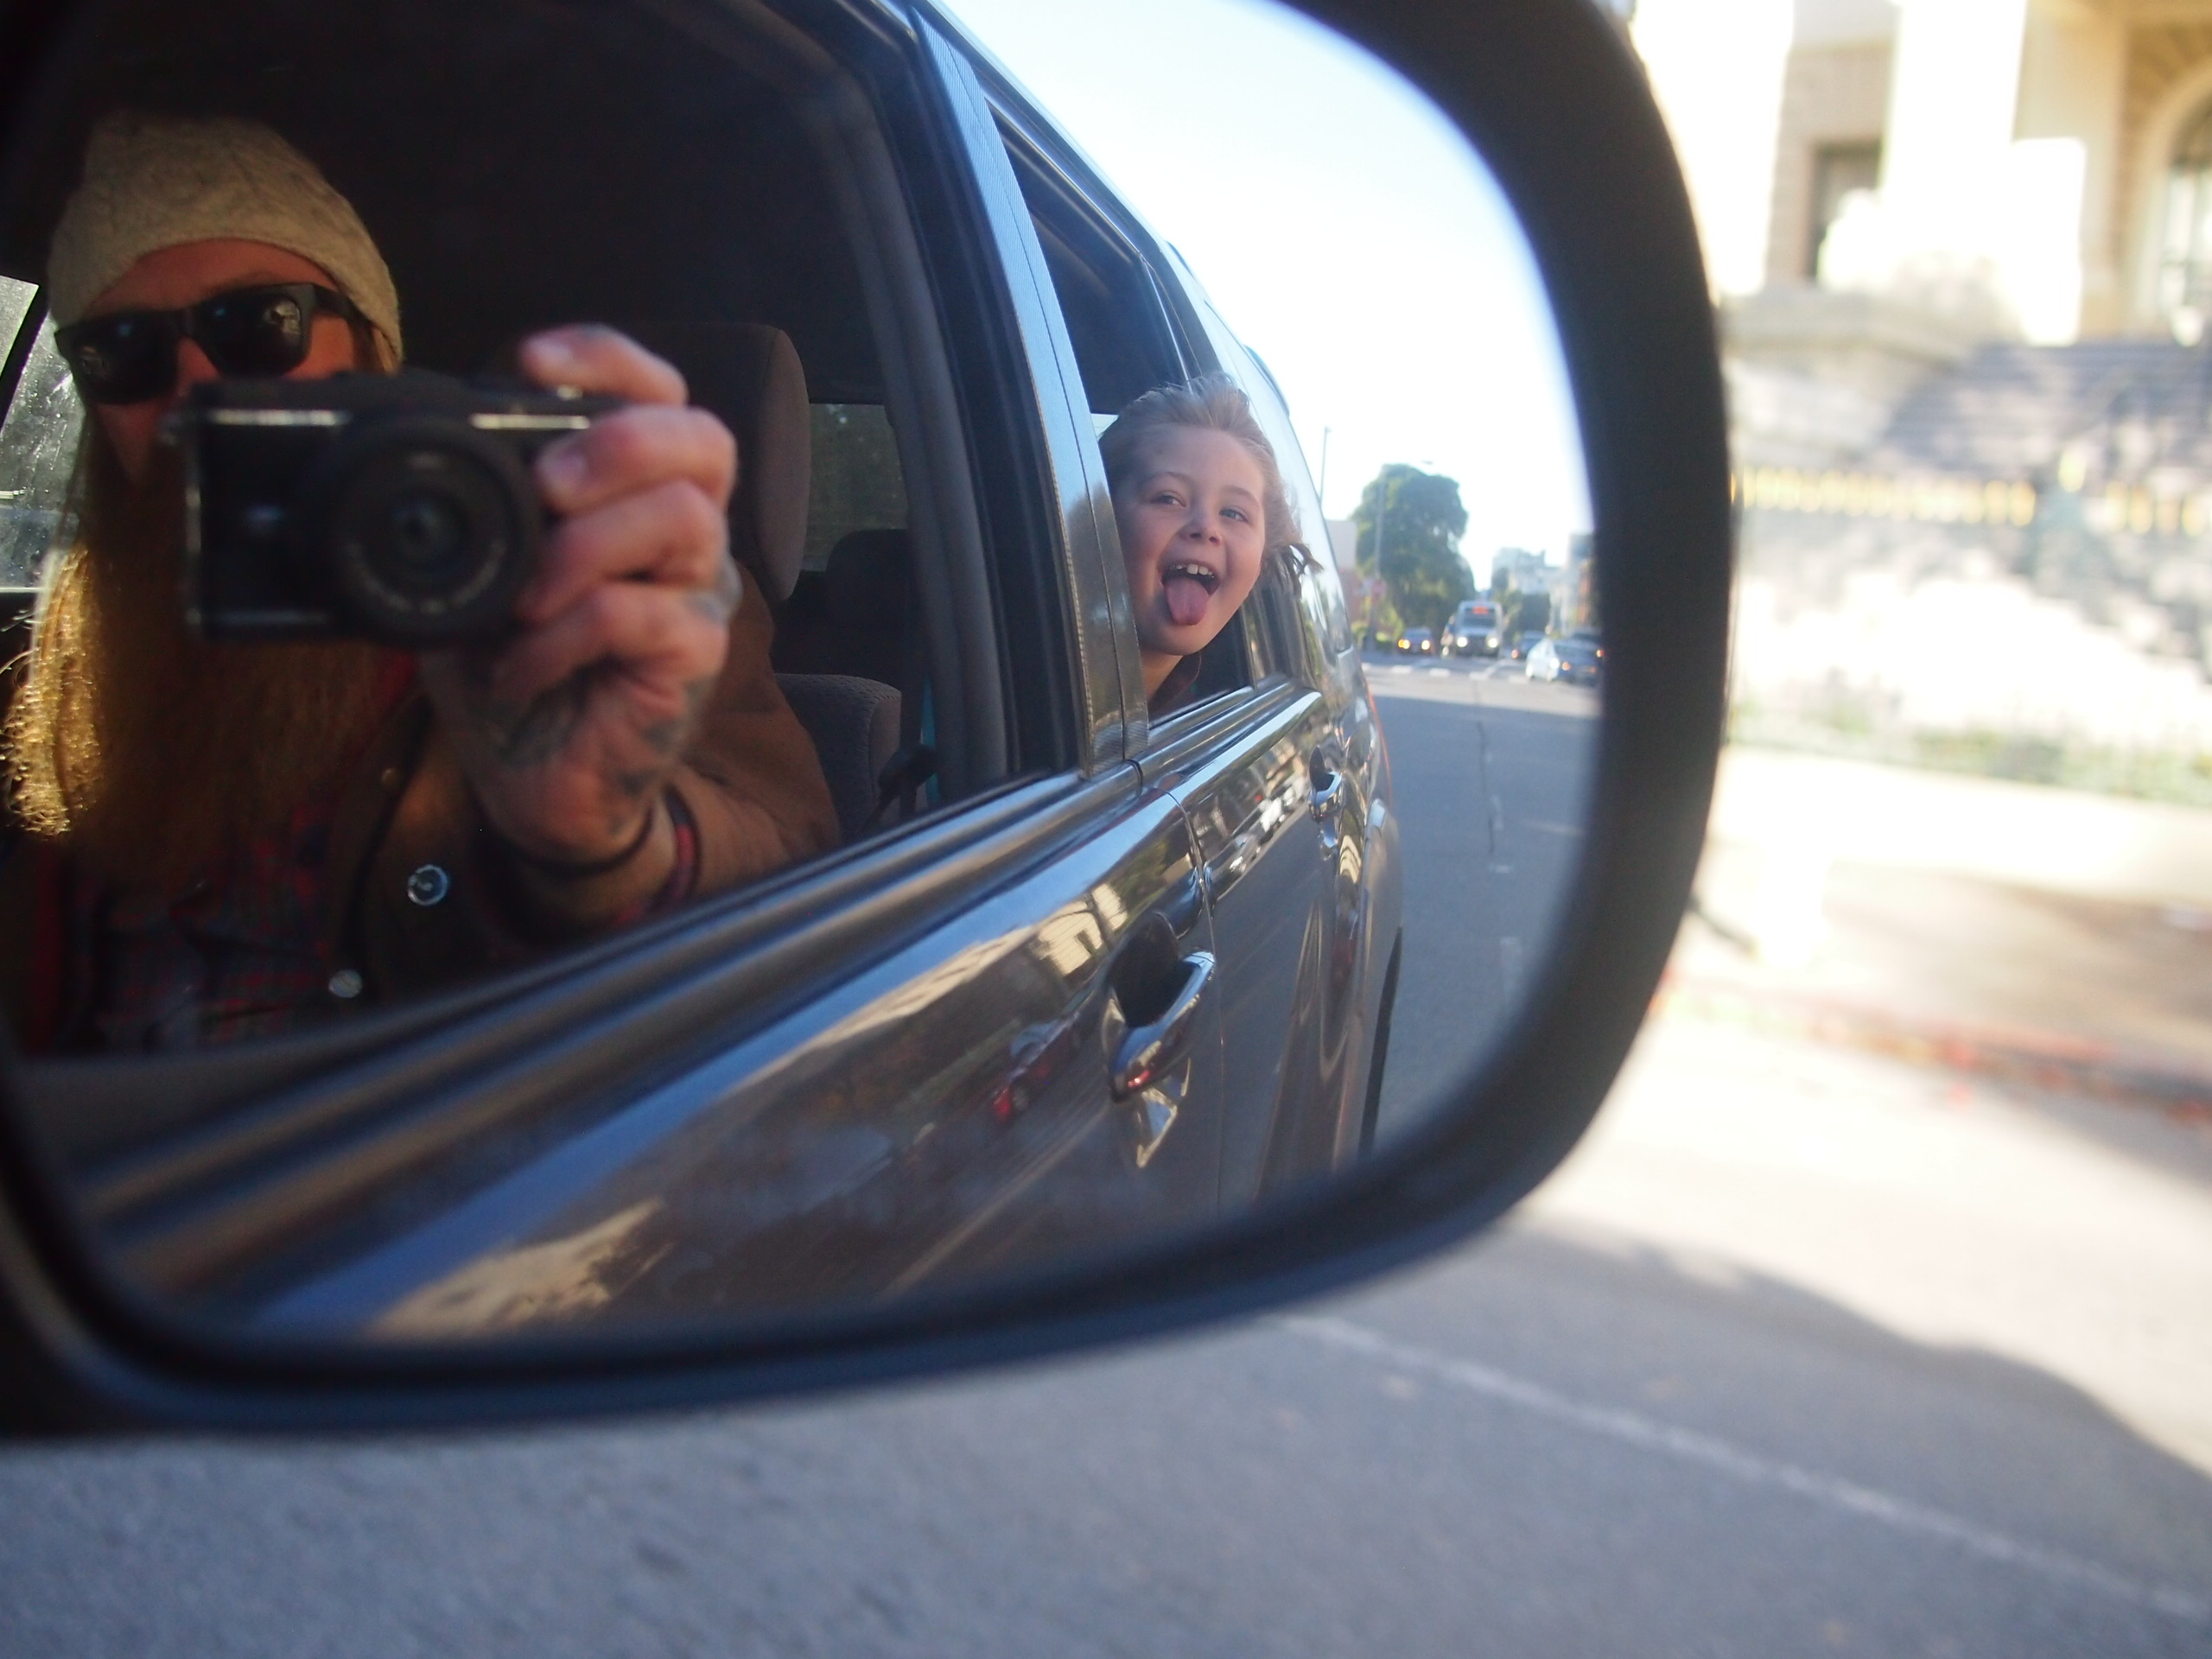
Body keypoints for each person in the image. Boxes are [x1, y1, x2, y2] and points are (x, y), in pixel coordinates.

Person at [0, 111, 837, 1052]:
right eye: (122, 352)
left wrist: (606, 841)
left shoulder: (583, 587)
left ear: (369, 345)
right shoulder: (68, 654)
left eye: (257, 323)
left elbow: (784, 865)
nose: (193, 385)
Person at [1097, 374, 1306, 717]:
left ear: (1263, 557)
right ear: (1100, 514)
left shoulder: (1207, 699)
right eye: (1168, 498)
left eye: (1234, 513)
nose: (1206, 528)